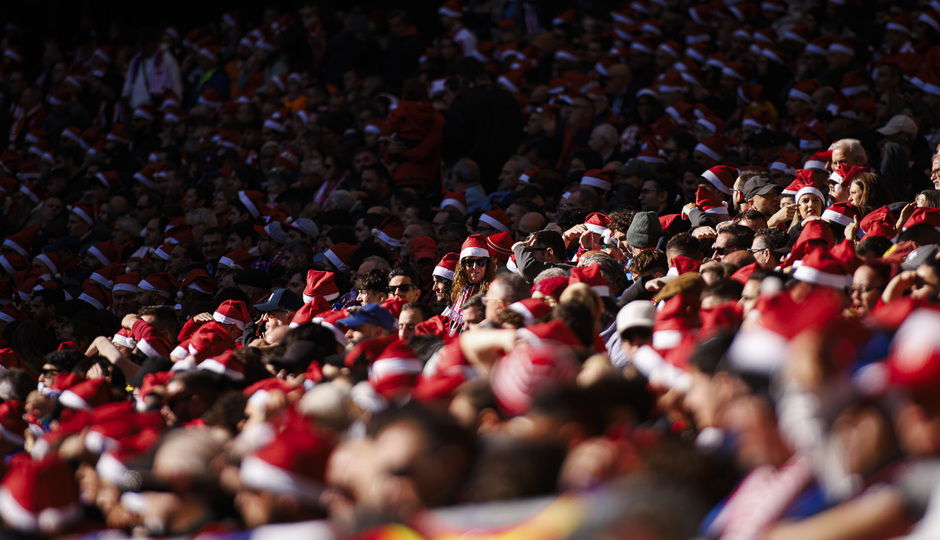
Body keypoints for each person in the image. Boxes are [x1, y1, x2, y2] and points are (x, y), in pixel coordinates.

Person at [444, 235, 495, 336]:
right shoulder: (460, 289)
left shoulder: (493, 291)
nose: (475, 267)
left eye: (481, 262)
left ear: (487, 265)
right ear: (462, 266)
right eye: (469, 262)